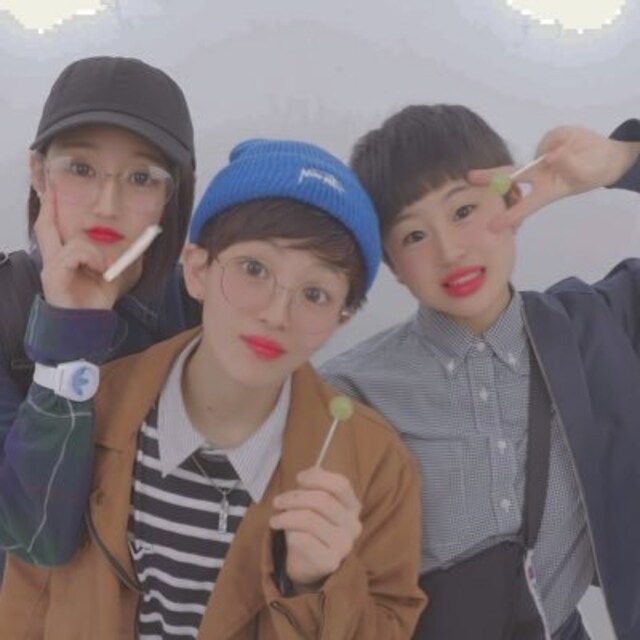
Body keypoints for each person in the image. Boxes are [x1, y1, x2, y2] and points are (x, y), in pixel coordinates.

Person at [0, 139, 426, 638]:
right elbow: (28, 599)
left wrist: (317, 586)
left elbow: (390, 622)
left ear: (342, 317)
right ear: (198, 270)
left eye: (315, 293)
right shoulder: (92, 408)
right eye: (254, 269)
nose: (275, 314)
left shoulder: (375, 465)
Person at [320, 105, 640, 640]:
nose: (450, 251)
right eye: (414, 236)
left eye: (464, 211)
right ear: (392, 266)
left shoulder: (597, 327)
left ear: (513, 199)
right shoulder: (352, 392)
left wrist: (622, 160)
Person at [0, 55, 200, 568]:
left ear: (173, 193)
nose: (108, 204)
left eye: (142, 177)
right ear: (39, 173)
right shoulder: (5, 306)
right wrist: (68, 336)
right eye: (82, 169)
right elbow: (34, 538)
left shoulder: (203, 312)